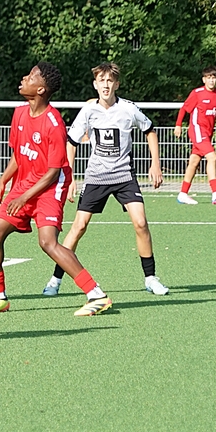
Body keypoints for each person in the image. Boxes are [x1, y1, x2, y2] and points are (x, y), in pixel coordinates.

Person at [0, 63, 112, 317]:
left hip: (50, 187)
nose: (24, 78)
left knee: (47, 242)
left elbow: (53, 171)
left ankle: (97, 294)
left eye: (31, 76)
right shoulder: (19, 114)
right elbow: (19, 154)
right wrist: (3, 181)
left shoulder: (54, 124)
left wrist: (24, 198)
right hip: (25, 183)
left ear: (41, 89)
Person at [42, 63, 169, 297]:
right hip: (96, 176)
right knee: (79, 227)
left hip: (124, 176)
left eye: (110, 80)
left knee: (141, 223)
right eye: (101, 80)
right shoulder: (88, 111)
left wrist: (155, 164)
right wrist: (69, 177)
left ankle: (151, 278)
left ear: (117, 84)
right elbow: (71, 142)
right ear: (95, 85)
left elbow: (150, 131)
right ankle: (55, 280)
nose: (106, 85)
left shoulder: (128, 109)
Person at [175, 66, 216, 205]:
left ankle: (183, 194)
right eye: (209, 78)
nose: (211, 80)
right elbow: (184, 109)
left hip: (207, 132)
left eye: (214, 78)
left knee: (194, 162)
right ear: (204, 80)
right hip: (197, 130)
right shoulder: (197, 93)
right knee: (211, 156)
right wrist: (178, 125)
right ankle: (215, 192)